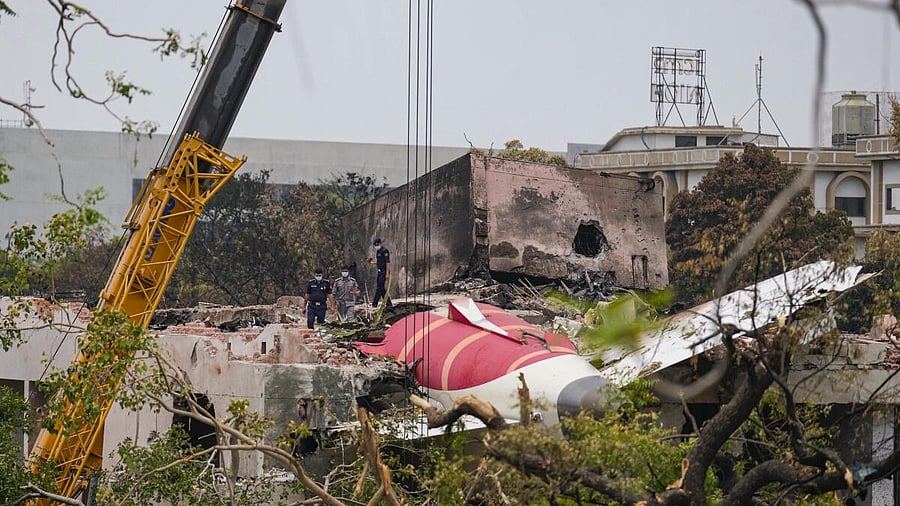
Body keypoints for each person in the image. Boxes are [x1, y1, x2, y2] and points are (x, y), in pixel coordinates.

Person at [368, 238, 392, 309]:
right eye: (375, 245)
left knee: (379, 288)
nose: (376, 246)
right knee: (381, 289)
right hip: (379, 271)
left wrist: (387, 273)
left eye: (377, 244)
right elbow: (379, 262)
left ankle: (374, 304)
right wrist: (372, 262)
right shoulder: (378, 252)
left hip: (384, 271)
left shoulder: (385, 251)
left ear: (380, 243)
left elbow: (387, 262)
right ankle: (389, 304)